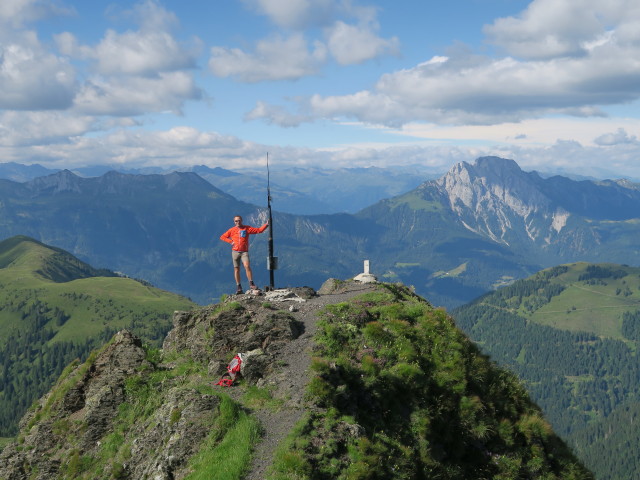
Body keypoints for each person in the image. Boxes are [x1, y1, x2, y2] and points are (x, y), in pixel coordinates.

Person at [220, 215, 269, 294]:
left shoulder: (246, 228)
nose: (237, 222)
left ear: (241, 220)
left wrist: (266, 225)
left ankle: (251, 283)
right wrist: (231, 242)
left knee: (247, 266)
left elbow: (259, 230)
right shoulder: (232, 230)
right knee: (236, 269)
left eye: (239, 220)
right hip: (235, 252)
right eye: (236, 221)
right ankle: (239, 286)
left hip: (244, 252)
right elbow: (222, 237)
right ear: (234, 222)